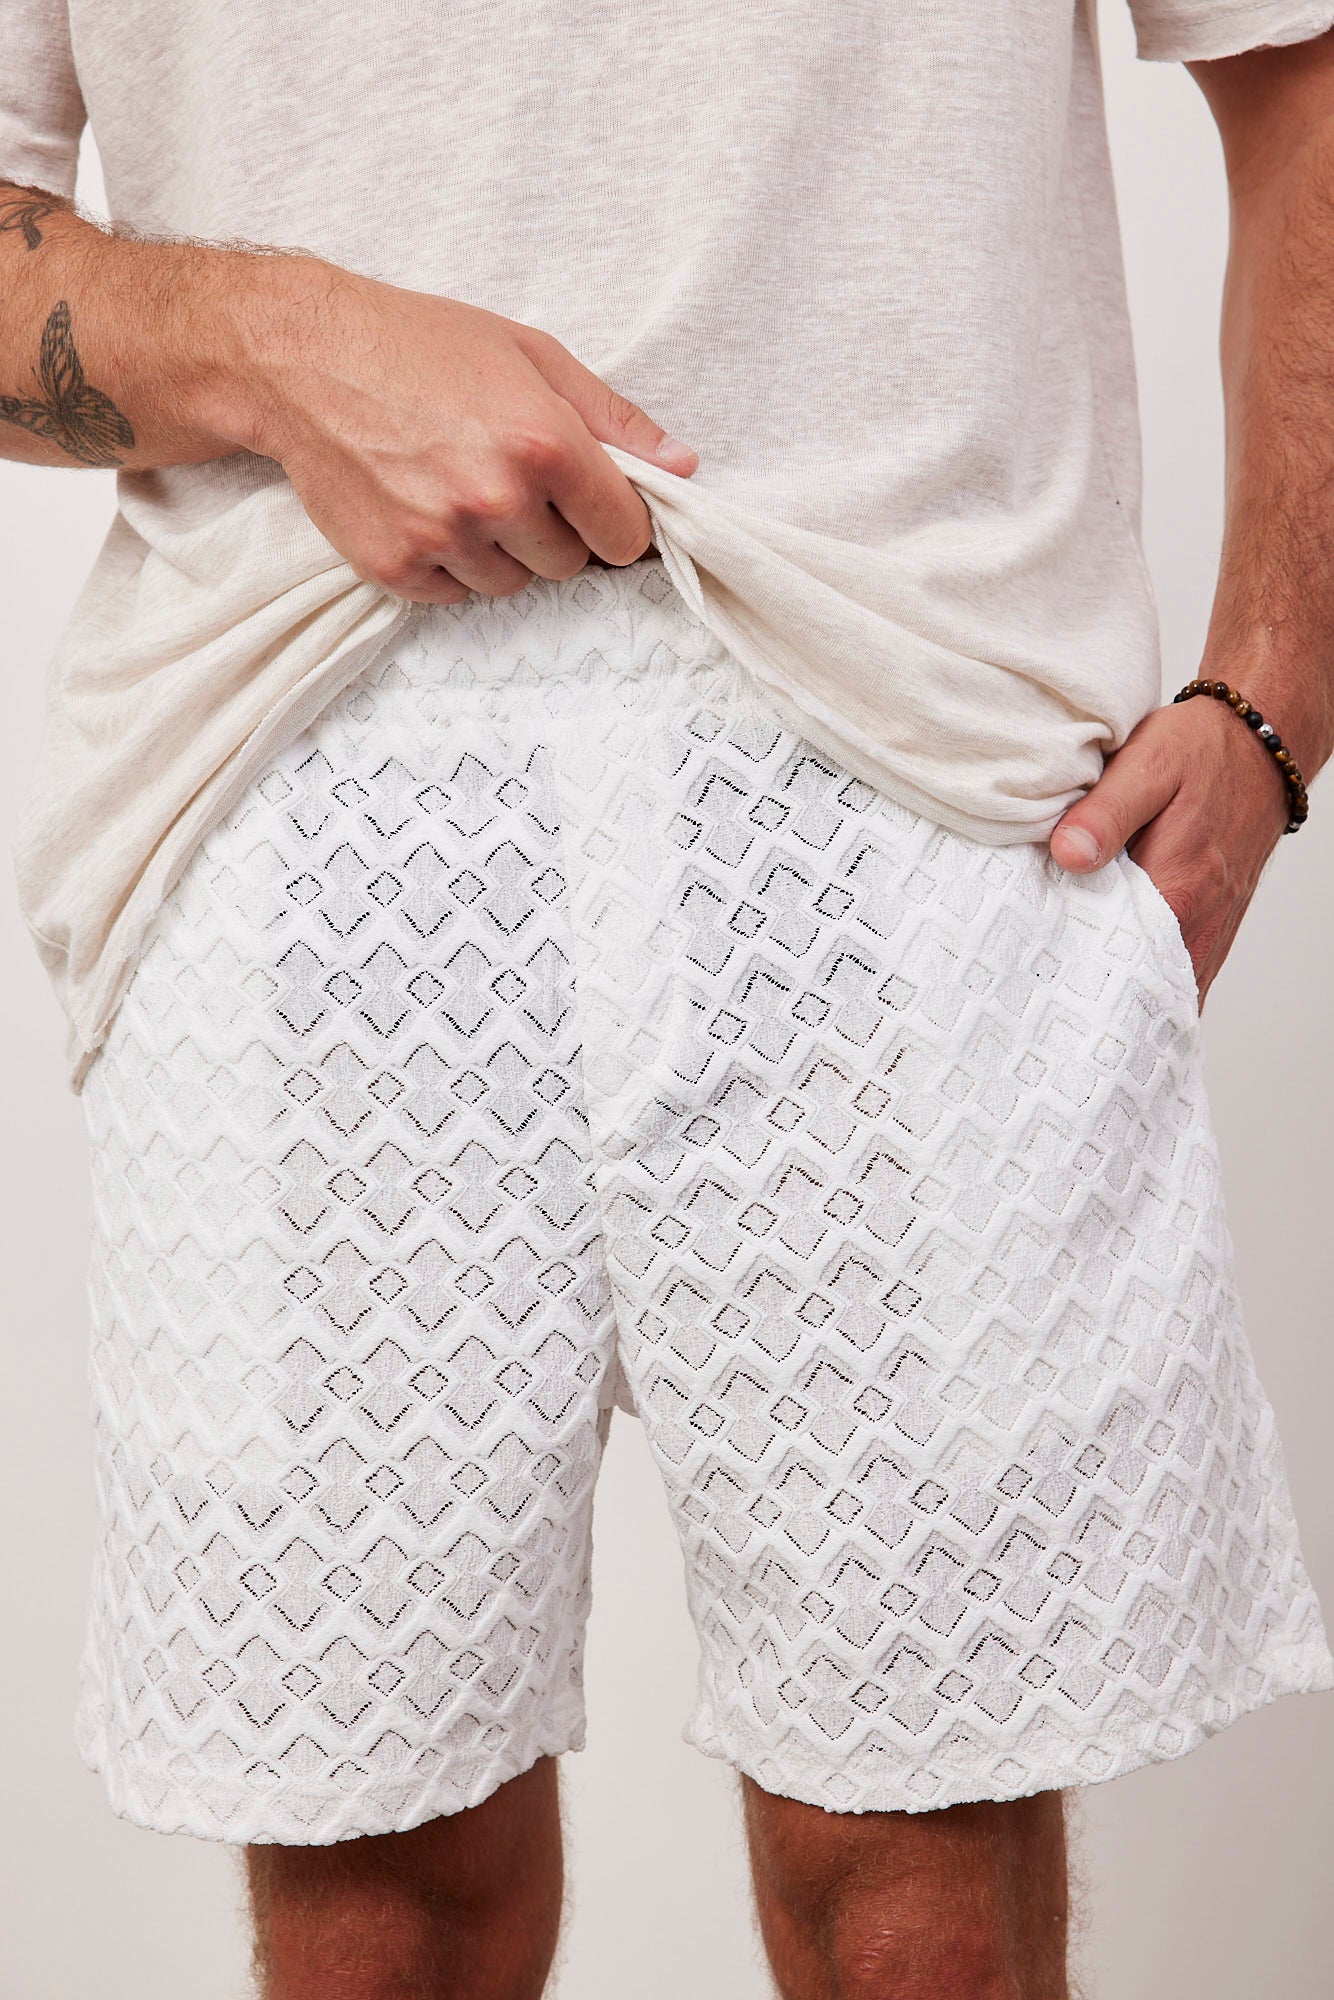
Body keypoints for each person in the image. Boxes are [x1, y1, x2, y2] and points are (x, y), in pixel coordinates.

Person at [3, 3, 1332, 1994]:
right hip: (287, 793)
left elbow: (1299, 67)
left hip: (912, 762)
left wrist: (1272, 698)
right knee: (374, 1923)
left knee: (921, 1913)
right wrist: (281, 339)